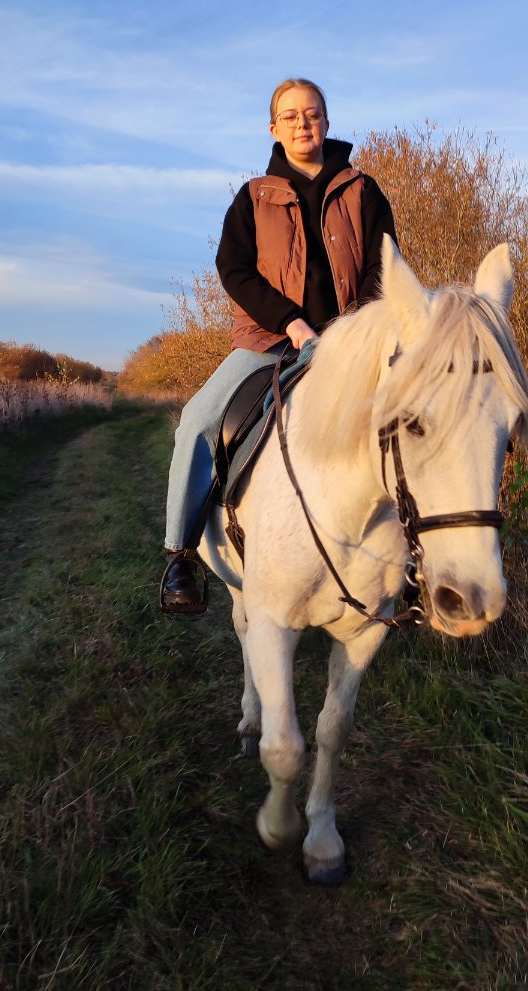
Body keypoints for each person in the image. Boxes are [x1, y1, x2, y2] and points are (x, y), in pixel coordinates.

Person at [162, 78, 397, 611]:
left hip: (350, 344)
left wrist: (349, 330)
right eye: (290, 116)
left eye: (311, 114)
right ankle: (180, 556)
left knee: (418, 416)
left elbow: (385, 263)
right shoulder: (253, 197)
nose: (302, 124)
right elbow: (234, 270)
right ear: (273, 128)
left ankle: (417, 562)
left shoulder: (363, 190)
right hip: (268, 342)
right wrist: (291, 323)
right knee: (197, 422)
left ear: (327, 123)